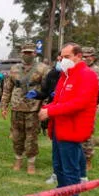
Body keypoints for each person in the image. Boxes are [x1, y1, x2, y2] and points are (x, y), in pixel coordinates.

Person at [39, 42, 98, 196]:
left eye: (67, 57)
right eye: (61, 57)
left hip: (72, 129)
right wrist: (48, 107)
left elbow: (79, 103)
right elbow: (59, 100)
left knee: (70, 168)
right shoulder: (66, 76)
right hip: (59, 126)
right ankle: (61, 194)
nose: (62, 60)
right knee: (58, 165)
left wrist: (51, 111)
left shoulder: (87, 75)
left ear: (78, 56)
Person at [0, 43, 50, 175]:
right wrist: (4, 106)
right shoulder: (14, 69)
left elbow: (47, 90)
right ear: (21, 53)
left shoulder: (43, 69)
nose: (27, 55)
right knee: (17, 136)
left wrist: (44, 108)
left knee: (31, 137)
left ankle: (31, 162)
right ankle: (18, 159)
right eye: (25, 52)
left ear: (35, 54)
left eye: (30, 52)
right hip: (17, 107)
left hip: (33, 108)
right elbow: (7, 89)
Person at [80, 47, 99, 177]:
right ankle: (76, 157)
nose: (87, 58)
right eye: (84, 55)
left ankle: (87, 159)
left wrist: (92, 102)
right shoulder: (77, 69)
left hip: (89, 108)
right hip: (75, 106)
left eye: (89, 55)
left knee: (87, 133)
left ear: (94, 57)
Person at [42, 53, 64, 185]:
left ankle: (81, 176)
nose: (60, 61)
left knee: (71, 150)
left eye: (64, 58)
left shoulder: (77, 76)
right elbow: (45, 92)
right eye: (59, 59)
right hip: (54, 115)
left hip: (67, 117)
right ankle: (56, 174)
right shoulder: (52, 75)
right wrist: (38, 95)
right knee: (56, 148)